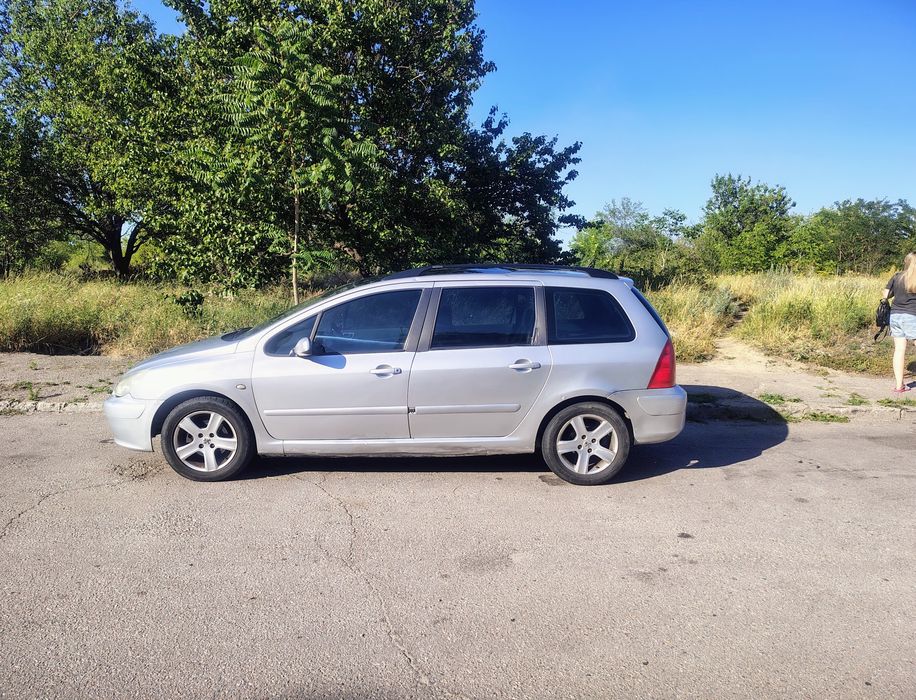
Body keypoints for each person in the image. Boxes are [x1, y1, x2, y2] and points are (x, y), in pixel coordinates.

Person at [883, 252, 916, 393]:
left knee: (899, 350)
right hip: (913, 315)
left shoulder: (897, 276)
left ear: (906, 262)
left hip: (895, 315)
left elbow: (885, 295)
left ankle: (899, 386)